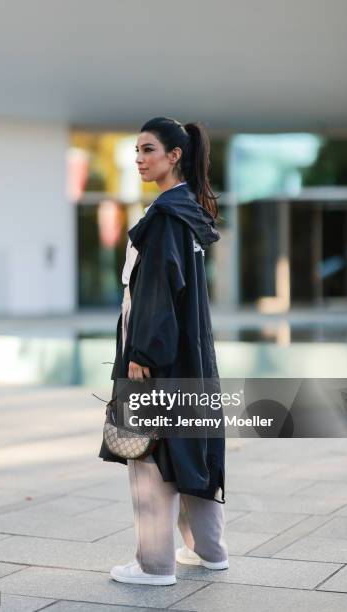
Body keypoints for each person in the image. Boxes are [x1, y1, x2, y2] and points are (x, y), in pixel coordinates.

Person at [99, 116, 228, 586]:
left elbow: (156, 290)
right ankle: (209, 550)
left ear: (175, 155)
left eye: (149, 150)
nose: (139, 159)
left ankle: (154, 565)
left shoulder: (166, 217)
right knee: (190, 444)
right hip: (191, 354)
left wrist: (143, 355)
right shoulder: (186, 211)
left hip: (160, 355)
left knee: (150, 453)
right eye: (136, 150)